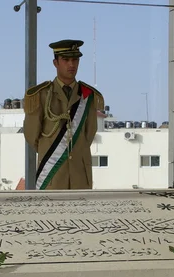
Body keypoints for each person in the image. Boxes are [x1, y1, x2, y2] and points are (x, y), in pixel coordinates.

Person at [23, 39, 104, 190]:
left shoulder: (88, 95)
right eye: (66, 60)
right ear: (56, 63)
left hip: (80, 176)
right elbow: (31, 135)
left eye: (75, 60)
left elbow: (89, 134)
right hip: (52, 175)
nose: (71, 65)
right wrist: (50, 150)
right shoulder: (41, 95)